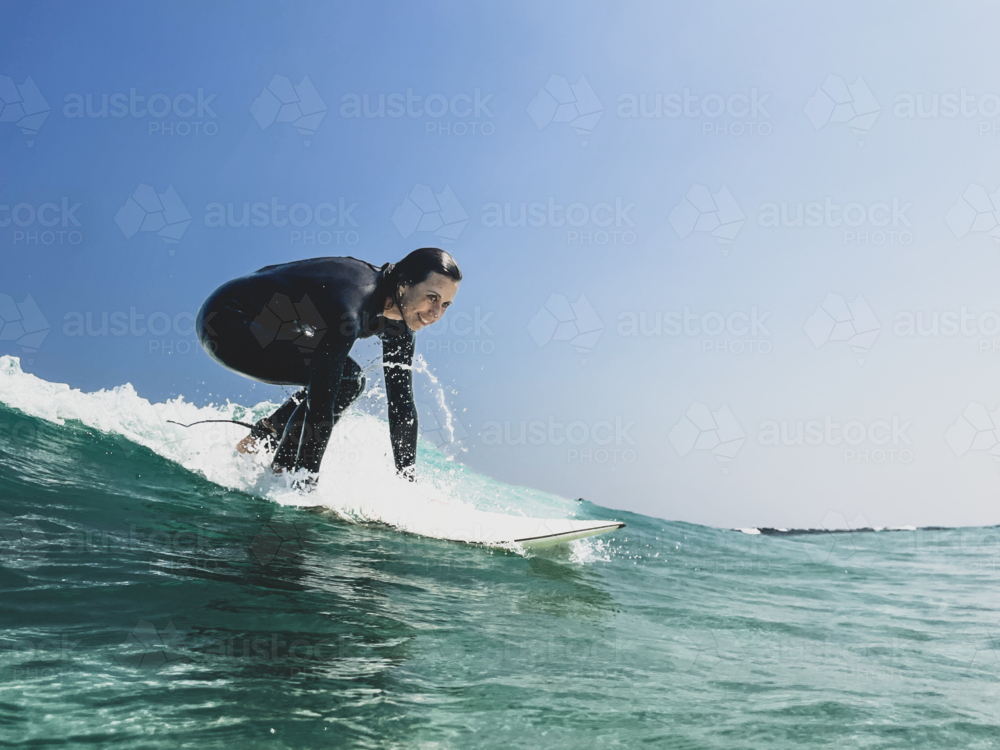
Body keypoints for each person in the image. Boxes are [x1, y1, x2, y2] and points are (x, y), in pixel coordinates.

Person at [195, 248, 461, 487]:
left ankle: (262, 438)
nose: (436, 313)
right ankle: (284, 474)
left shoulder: (400, 324)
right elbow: (321, 405)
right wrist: (305, 486)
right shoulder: (352, 301)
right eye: (431, 297)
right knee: (346, 379)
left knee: (339, 376)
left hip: (276, 326)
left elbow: (401, 406)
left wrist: (407, 482)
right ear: (404, 285)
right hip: (228, 322)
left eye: (445, 304)